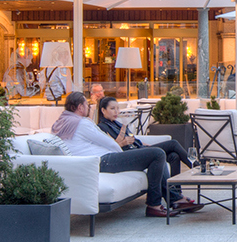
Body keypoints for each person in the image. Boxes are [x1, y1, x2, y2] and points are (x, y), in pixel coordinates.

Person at [52, 91, 200, 218]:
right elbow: (108, 142)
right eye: (87, 105)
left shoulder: (62, 123)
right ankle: (155, 205)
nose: (89, 108)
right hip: (104, 160)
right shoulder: (82, 123)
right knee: (157, 154)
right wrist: (125, 155)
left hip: (97, 161)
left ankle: (172, 199)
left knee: (160, 154)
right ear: (80, 107)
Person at [96, 96, 194, 177]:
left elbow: (133, 139)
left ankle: (175, 191)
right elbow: (112, 147)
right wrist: (124, 138)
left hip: (139, 148)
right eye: (112, 109)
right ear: (103, 110)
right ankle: (196, 166)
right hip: (131, 154)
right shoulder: (102, 127)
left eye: (117, 108)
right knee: (173, 143)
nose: (116, 111)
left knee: (174, 156)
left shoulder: (116, 123)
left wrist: (145, 144)